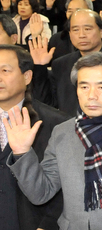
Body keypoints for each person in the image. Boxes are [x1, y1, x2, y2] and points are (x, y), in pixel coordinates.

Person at [7, 51, 102, 229]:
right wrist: (22, 152)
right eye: (84, 87)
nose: (92, 95)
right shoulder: (62, 132)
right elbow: (41, 194)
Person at [0, 45, 67, 230]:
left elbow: (68, 184)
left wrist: (48, 224)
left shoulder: (58, 124)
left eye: (5, 70)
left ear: (27, 76)